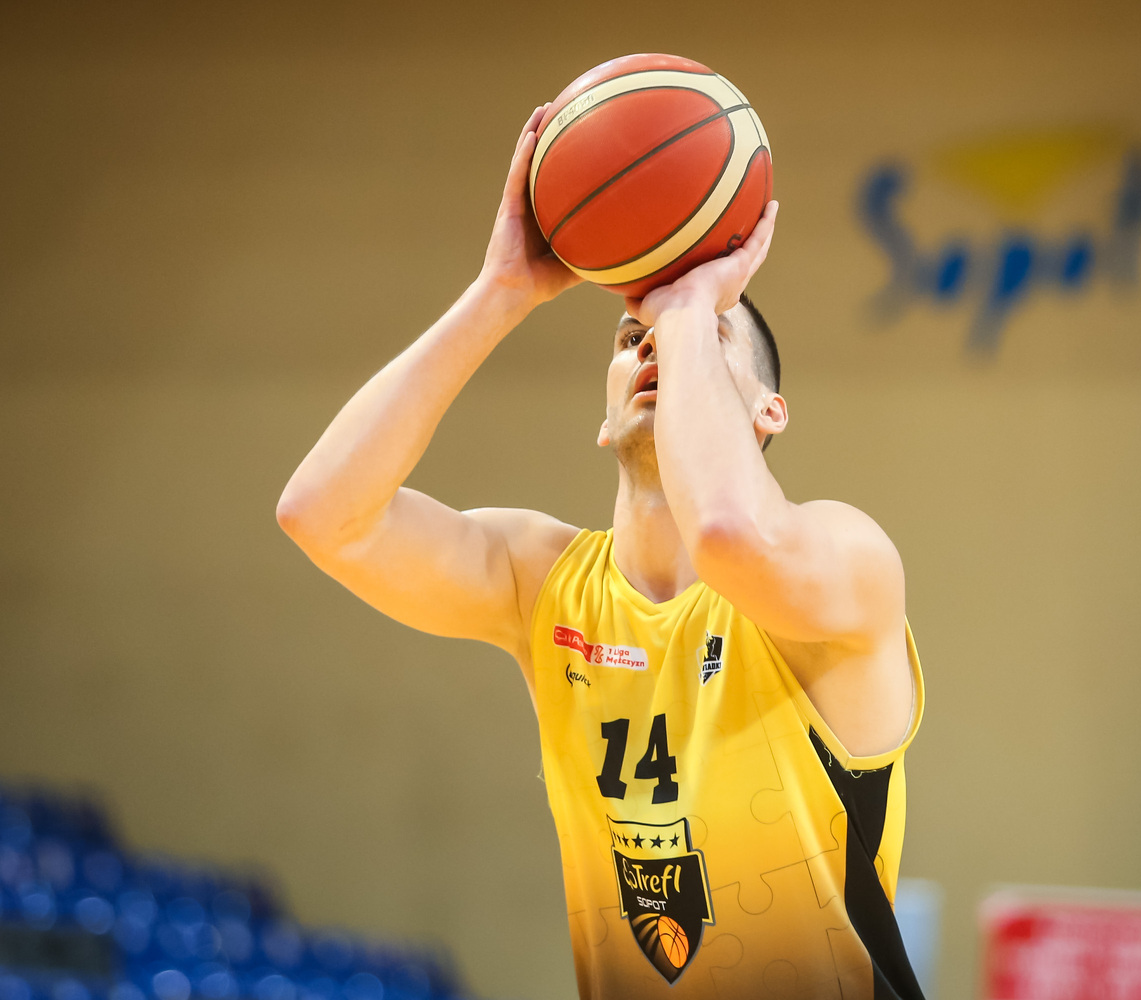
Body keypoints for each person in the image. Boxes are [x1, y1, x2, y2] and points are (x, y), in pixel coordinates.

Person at [277, 104, 925, 1000]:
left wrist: (689, 302)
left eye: (706, 336)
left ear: (768, 411)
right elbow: (322, 514)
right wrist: (500, 292)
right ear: (605, 415)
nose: (655, 339)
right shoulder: (543, 582)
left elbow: (730, 535)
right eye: (632, 338)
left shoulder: (846, 556)